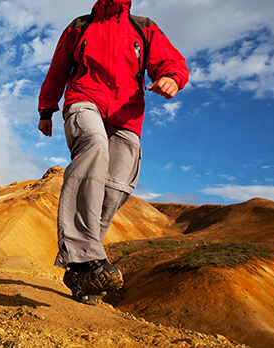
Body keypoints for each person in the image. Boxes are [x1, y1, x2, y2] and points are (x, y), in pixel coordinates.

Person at [37, 0, 189, 304]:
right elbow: (57, 69)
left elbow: (169, 61)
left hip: (127, 116)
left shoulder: (143, 28)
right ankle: (84, 257)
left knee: (118, 182)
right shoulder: (79, 27)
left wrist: (172, 77)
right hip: (84, 101)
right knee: (94, 145)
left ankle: (81, 272)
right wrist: (46, 110)